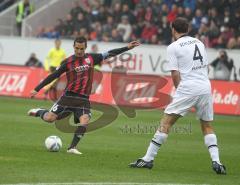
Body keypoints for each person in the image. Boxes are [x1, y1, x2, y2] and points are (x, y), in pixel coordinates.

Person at [129, 17, 226, 175]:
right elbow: (206, 68)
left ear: (173, 29)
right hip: (205, 86)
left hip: (188, 87)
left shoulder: (173, 47)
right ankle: (217, 162)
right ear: (187, 29)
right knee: (207, 125)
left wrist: (180, 91)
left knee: (166, 122)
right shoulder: (199, 43)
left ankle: (148, 159)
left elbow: (175, 74)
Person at [27, 37, 140, 155]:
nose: (79, 51)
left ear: (85, 48)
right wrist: (37, 89)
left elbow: (110, 53)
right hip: (68, 97)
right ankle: (40, 111)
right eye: (77, 48)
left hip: (83, 99)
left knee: (85, 120)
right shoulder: (67, 62)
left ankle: (72, 147)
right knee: (50, 118)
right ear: (73, 47)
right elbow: (53, 76)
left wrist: (127, 47)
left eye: (81, 48)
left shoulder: (91, 58)